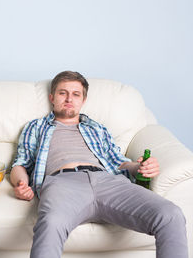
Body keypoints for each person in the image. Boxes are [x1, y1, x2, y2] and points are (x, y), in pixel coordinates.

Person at [10, 71, 188, 258]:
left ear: (83, 100)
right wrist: (21, 184)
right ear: (52, 97)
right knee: (51, 223)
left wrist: (139, 167)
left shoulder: (97, 128)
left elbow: (118, 161)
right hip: (62, 183)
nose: (69, 98)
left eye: (76, 94)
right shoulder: (36, 127)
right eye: (63, 93)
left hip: (108, 182)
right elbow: (21, 164)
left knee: (171, 215)